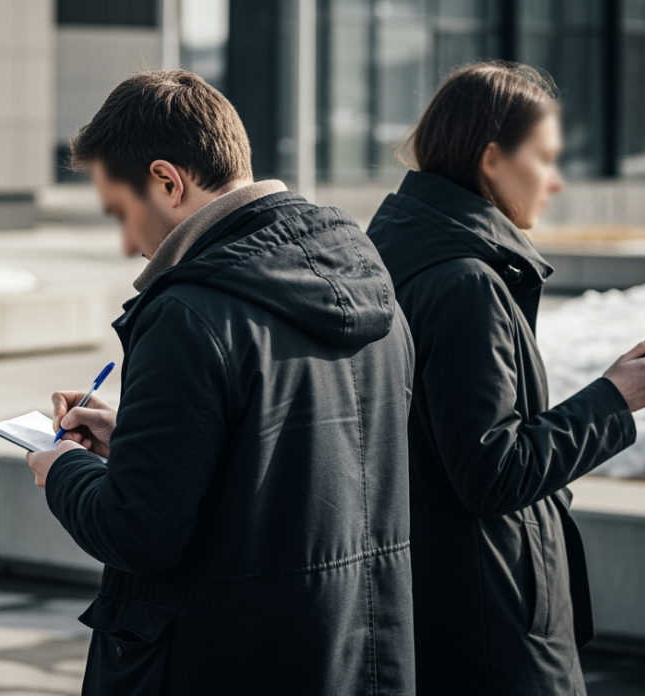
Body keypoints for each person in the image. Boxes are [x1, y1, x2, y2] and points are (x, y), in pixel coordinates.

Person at [24, 70, 416, 695]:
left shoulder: (189, 313)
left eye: (122, 213)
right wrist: (138, 439)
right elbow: (294, 469)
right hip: (356, 654)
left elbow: (139, 532)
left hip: (221, 658)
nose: (129, 243)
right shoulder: (375, 289)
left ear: (167, 181)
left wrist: (62, 468)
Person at [365, 62, 645, 695]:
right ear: (492, 161)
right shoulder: (465, 285)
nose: (554, 182)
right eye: (543, 158)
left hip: (435, 601)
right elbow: (491, 470)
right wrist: (611, 402)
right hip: (490, 619)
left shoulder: (399, 257)